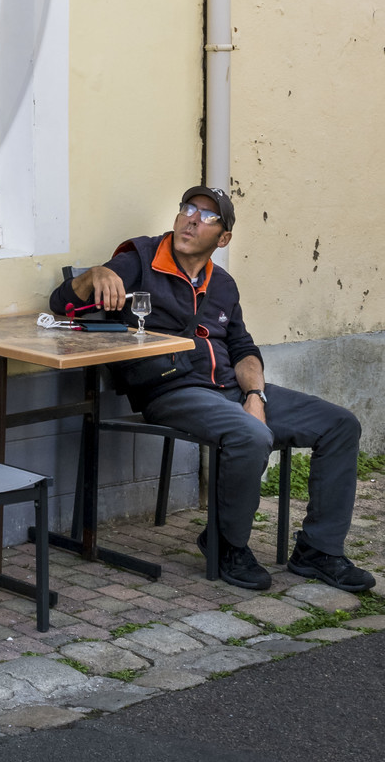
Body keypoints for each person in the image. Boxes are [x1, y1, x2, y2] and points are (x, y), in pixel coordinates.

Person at [69, 188, 375, 595]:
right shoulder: (138, 261)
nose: (192, 220)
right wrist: (93, 274)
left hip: (232, 390)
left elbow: (244, 348)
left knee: (340, 424)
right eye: (188, 210)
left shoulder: (224, 285)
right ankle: (227, 544)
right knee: (251, 435)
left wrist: (255, 396)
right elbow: (62, 304)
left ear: (224, 238)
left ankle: (318, 550)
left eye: (207, 217)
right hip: (173, 391)